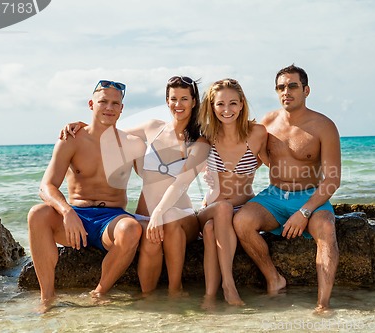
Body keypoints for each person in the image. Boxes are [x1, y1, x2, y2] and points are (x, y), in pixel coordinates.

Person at [62, 76, 210, 297]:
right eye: (173, 99)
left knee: (168, 224)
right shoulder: (153, 127)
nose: (178, 104)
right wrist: (82, 125)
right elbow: (108, 128)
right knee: (150, 238)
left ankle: (175, 290)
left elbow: (181, 184)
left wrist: (159, 212)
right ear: (167, 102)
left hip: (181, 215)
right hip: (144, 214)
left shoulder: (200, 142)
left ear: (194, 102)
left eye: (184, 99)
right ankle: (147, 299)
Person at [28, 80, 145, 312]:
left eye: (115, 103)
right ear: (91, 104)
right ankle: (47, 297)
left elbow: (154, 181)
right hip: (76, 216)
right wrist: (67, 211)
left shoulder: (132, 144)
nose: (109, 107)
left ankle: (99, 292)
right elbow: (46, 186)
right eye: (103, 102)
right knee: (37, 214)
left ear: (122, 109)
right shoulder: (71, 138)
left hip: (111, 219)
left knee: (131, 229)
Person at [233, 64, 341, 313]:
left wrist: (304, 212)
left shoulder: (324, 126)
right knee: (242, 222)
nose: (286, 91)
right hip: (274, 196)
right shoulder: (267, 123)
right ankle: (274, 278)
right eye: (281, 87)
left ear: (306, 90)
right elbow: (248, 161)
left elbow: (332, 180)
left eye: (292, 86)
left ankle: (323, 304)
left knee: (326, 227)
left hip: (310, 197)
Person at [196, 78, 268, 307]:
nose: (227, 110)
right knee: (221, 210)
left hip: (243, 207)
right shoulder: (205, 136)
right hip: (213, 207)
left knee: (210, 231)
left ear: (242, 103)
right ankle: (229, 285)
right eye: (220, 104)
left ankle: (209, 297)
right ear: (211, 105)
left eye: (233, 103)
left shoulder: (257, 133)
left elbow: (275, 161)